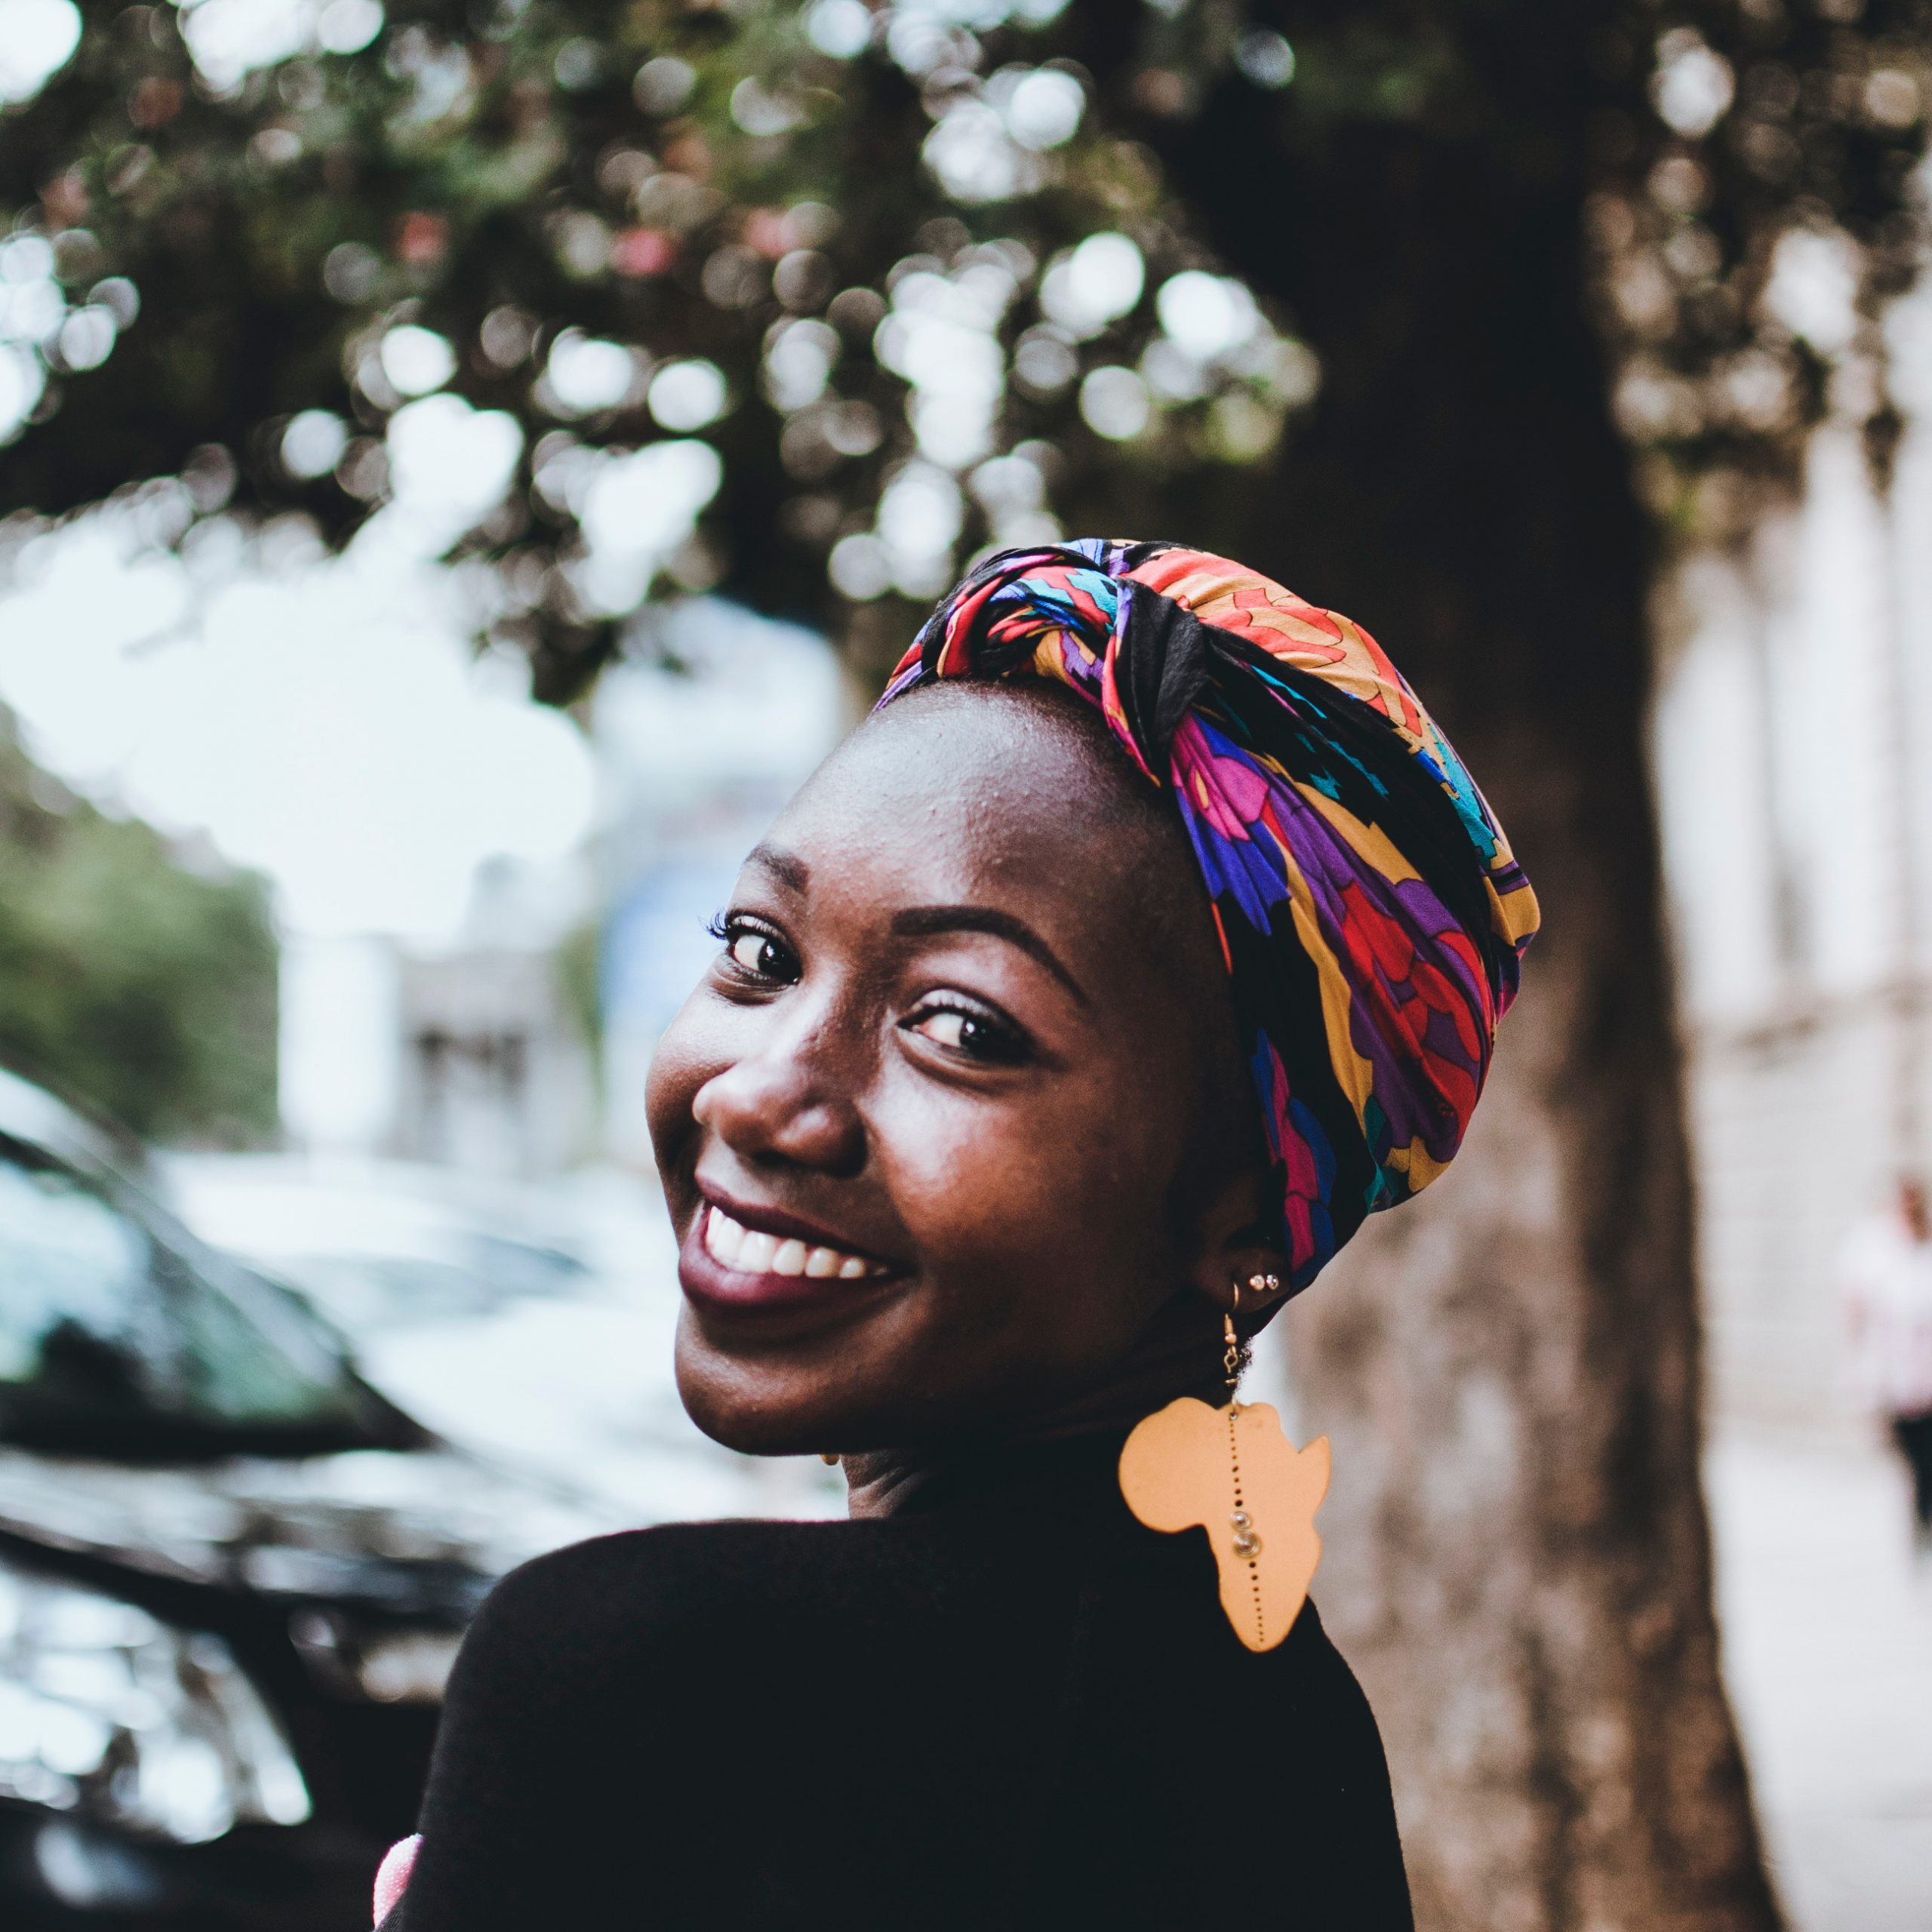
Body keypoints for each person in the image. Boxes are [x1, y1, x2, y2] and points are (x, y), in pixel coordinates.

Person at [374, 540, 1539, 1930]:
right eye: (758, 950)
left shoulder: (655, 1679)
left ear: (1238, 1213)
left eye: (962, 1026)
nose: (760, 1092)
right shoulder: (1281, 1704)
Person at [1839, 1175, 1932, 1555]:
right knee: (1918, 1461)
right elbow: (1859, 1314)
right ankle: (1921, 1524)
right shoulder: (1879, 1256)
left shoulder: (1921, 1256)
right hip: (1900, 1385)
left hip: (1924, 1381)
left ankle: (1922, 1525)